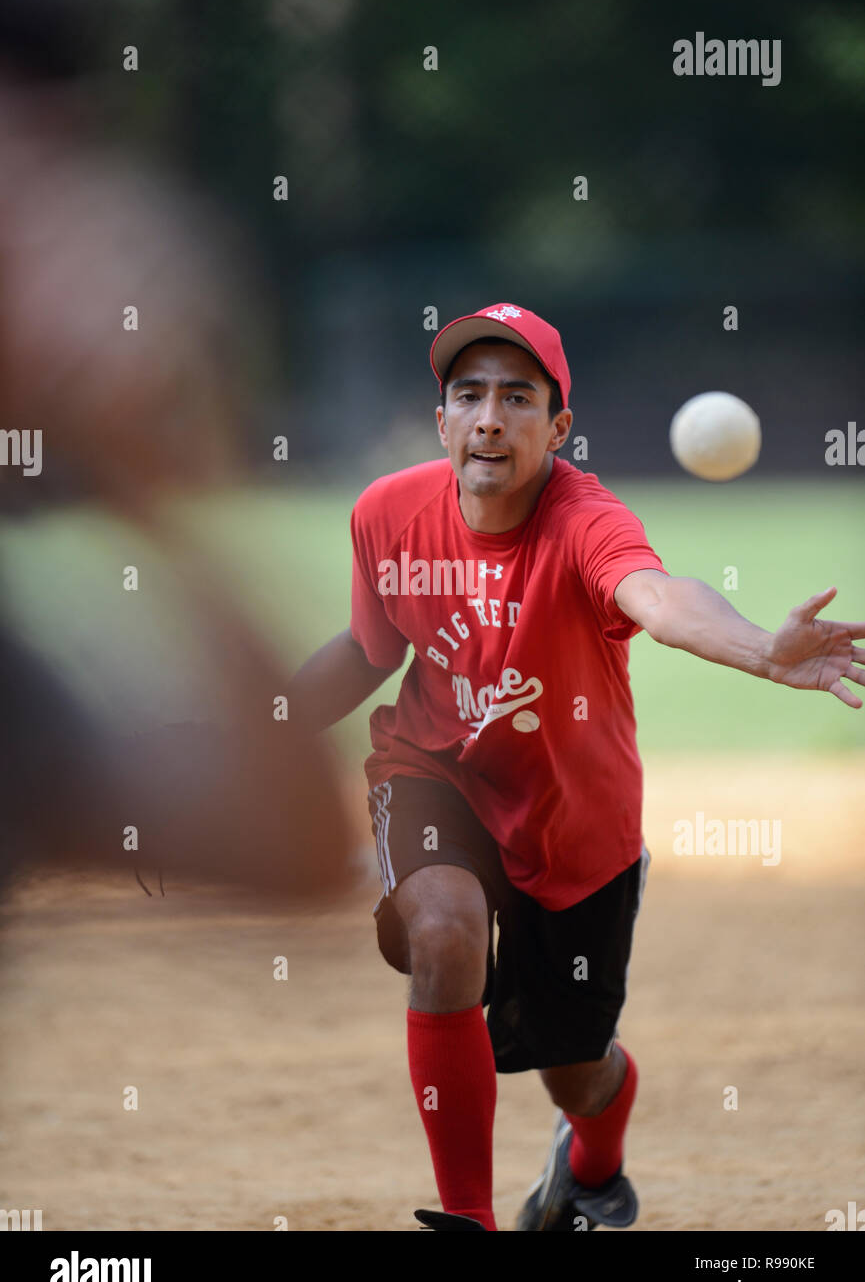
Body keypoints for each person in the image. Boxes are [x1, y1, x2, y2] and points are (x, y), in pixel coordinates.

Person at [290, 303, 864, 1231]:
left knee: (572, 1065)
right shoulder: (387, 514)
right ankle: (468, 1219)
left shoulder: (585, 521)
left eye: (517, 398)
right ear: (441, 422)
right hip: (433, 771)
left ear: (556, 429)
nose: (488, 418)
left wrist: (762, 649)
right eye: (467, 395)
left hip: (574, 824)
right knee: (443, 931)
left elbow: (658, 595)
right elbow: (367, 649)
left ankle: (592, 1168)